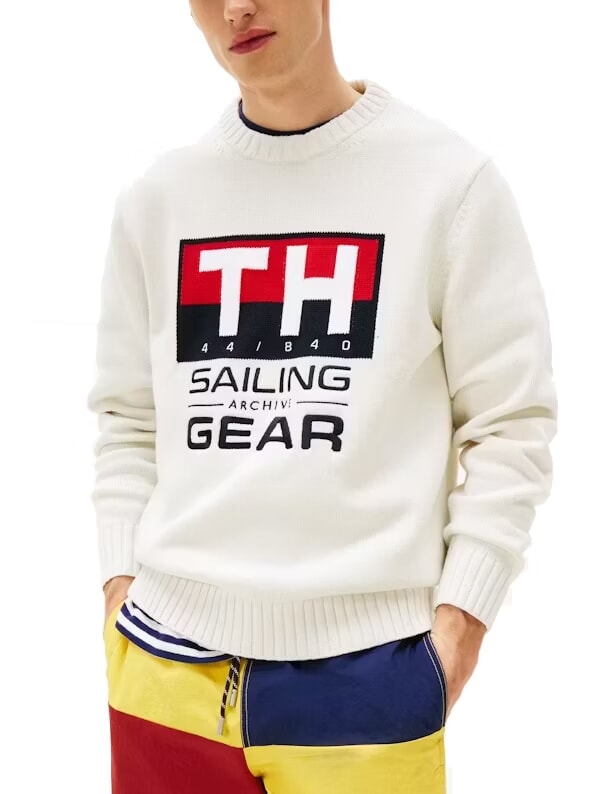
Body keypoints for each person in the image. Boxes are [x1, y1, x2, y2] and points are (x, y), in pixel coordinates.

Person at [86, 2, 558, 792]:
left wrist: (460, 626)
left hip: (367, 684)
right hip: (161, 674)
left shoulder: (447, 183)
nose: (236, 9)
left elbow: (510, 422)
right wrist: (118, 592)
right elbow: (128, 419)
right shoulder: (159, 198)